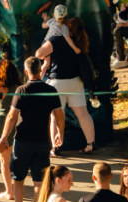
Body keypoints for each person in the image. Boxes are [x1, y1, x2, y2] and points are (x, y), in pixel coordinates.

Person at [0, 57, 64, 202]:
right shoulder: (50, 90)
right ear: (40, 71)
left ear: (26, 71)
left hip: (22, 141)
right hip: (43, 141)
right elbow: (59, 116)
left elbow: (12, 117)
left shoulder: (21, 90)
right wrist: (60, 134)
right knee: (39, 181)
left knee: (18, 178)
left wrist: (4, 136)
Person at [34, 18, 96, 156]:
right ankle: (90, 143)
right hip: (76, 82)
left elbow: (38, 54)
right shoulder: (80, 41)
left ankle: (56, 147)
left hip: (57, 83)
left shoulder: (56, 40)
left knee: (55, 117)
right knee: (83, 114)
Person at [0, 60, 24, 201]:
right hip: (18, 123)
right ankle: (17, 189)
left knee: (4, 160)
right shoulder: (20, 88)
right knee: (17, 159)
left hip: (2, 125)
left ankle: (9, 191)